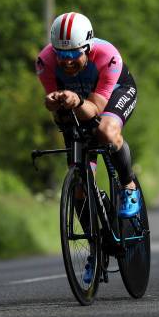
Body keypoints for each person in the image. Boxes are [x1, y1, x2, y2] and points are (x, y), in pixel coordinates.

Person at [35, 11, 140, 219]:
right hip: (78, 100)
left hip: (113, 93)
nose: (67, 61)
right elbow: (58, 115)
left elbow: (96, 109)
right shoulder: (45, 62)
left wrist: (77, 101)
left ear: (88, 47)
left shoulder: (107, 55)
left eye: (73, 54)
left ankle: (128, 186)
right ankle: (95, 243)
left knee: (105, 130)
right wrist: (53, 104)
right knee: (79, 187)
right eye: (61, 55)